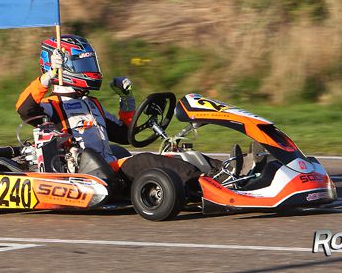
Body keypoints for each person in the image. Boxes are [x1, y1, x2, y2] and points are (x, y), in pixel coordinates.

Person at [16, 34, 204, 187]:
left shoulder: (92, 104)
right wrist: (48, 76)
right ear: (61, 67)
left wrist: (126, 99)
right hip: (87, 175)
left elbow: (125, 134)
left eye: (90, 64)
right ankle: (199, 182)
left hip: (108, 168)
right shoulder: (52, 106)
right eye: (82, 65)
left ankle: (215, 174)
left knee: (170, 156)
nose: (89, 70)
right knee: (145, 161)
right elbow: (25, 109)